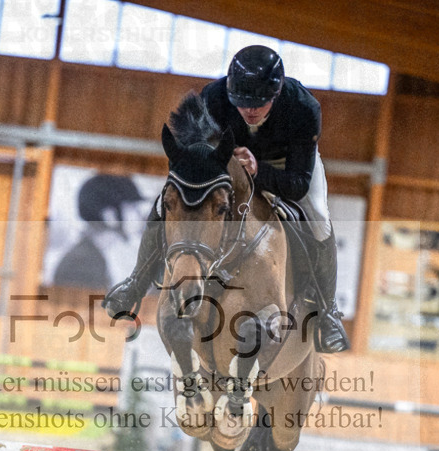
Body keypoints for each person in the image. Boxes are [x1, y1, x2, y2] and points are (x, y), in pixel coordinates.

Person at [102, 45, 349, 353]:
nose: (250, 110)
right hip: (229, 162)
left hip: (286, 165)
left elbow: (298, 185)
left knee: (319, 218)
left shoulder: (303, 108)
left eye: (259, 102)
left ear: (277, 92)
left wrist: (257, 170)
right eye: (242, 102)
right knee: (167, 201)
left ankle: (328, 312)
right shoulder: (215, 98)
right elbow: (193, 158)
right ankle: (135, 282)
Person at [52, 173, 144, 289]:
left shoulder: (92, 256)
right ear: (109, 215)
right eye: (132, 207)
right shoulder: (81, 264)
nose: (140, 215)